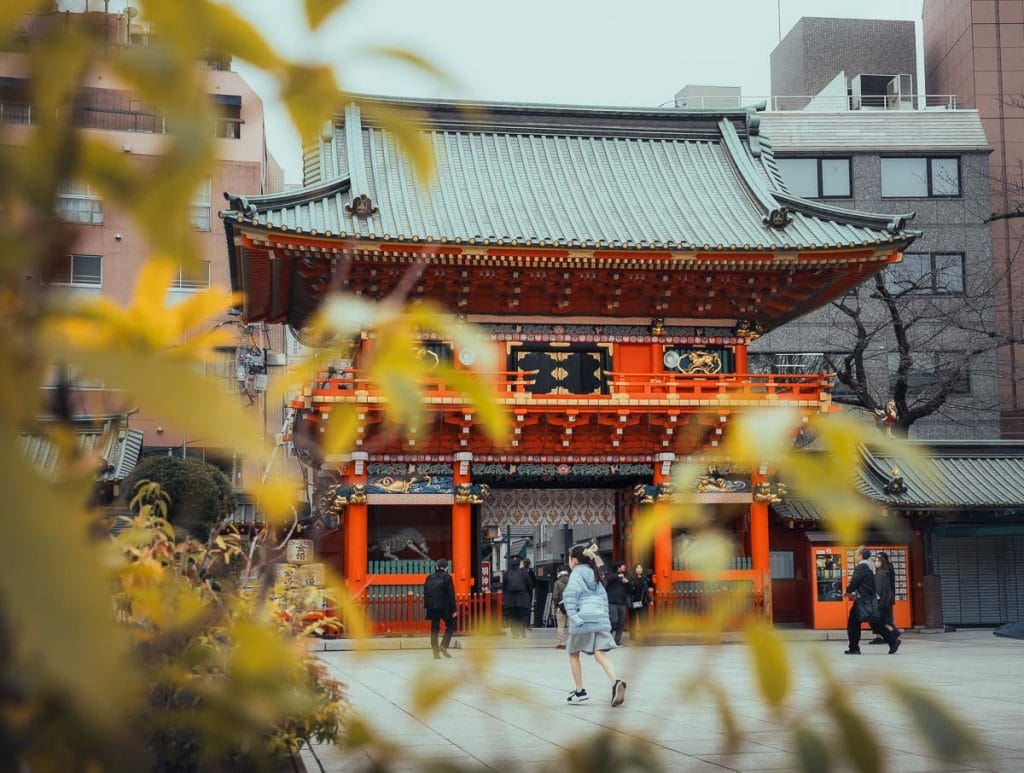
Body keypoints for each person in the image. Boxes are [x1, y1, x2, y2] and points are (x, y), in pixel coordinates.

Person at [562, 544, 626, 707]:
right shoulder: (595, 574)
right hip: (599, 620)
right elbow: (603, 598)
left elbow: (570, 597)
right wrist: (605, 622)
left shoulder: (576, 575)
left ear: (574, 560)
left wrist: (575, 619)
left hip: (583, 620)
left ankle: (579, 691)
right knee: (600, 655)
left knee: (573, 653)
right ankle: (615, 681)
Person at [844, 546, 899, 655]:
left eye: (856, 554)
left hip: (863, 601)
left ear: (860, 556)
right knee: (876, 623)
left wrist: (848, 590)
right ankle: (893, 641)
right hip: (869, 600)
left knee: (853, 623)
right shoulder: (869, 567)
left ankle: (854, 648)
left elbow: (855, 582)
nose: (855, 556)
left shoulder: (861, 567)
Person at [423, 559, 457, 659]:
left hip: (432, 607)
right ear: (446, 568)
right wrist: (454, 609)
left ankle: (435, 652)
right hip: (444, 607)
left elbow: (425, 592)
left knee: (434, 629)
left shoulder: (429, 577)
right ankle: (443, 646)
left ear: (437, 567)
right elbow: (451, 595)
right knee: (451, 625)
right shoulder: (447, 577)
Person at [869, 552, 901, 645]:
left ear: (883, 560)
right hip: (887, 597)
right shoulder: (884, 570)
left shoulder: (886, 571)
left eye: (878, 559)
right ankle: (887, 635)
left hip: (885, 598)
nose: (876, 561)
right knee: (883, 618)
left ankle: (893, 633)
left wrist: (879, 599)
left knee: (884, 618)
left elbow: (882, 587)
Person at [502, 558, 531, 639]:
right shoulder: (524, 573)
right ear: (519, 564)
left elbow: (504, 586)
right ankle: (522, 632)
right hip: (522, 600)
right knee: (522, 617)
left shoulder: (507, 573)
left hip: (511, 601)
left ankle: (515, 634)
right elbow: (529, 586)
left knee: (512, 618)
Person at [605, 561, 630, 646]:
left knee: (621, 622)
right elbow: (607, 579)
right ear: (618, 567)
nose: (624, 568)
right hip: (612, 602)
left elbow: (630, 589)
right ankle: (609, 638)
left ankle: (617, 641)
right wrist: (617, 576)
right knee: (613, 620)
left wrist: (627, 582)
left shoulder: (625, 575)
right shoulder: (611, 574)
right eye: (623, 566)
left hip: (622, 602)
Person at [627, 563, 651, 641]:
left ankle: (645, 637)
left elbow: (646, 591)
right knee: (632, 620)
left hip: (642, 602)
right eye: (637, 568)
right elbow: (629, 590)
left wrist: (649, 600)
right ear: (635, 569)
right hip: (633, 602)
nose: (639, 569)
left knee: (644, 620)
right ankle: (632, 637)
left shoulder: (645, 579)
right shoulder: (631, 578)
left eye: (640, 568)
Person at [551, 568, 570, 649]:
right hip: (571, 606)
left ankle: (562, 643)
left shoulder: (557, 583)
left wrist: (555, 606)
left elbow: (555, 596)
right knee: (571, 626)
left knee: (561, 626)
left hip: (561, 606)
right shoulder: (572, 581)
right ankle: (573, 643)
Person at [521, 558, 538, 629]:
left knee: (522, 608)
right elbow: (535, 582)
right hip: (529, 592)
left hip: (522, 592)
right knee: (528, 608)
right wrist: (531, 587)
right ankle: (527, 625)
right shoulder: (531, 572)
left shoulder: (520, 571)